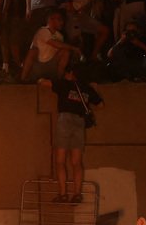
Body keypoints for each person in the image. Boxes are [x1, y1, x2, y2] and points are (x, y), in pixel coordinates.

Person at [36, 68, 103, 204]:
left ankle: (62, 194)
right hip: (79, 122)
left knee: (60, 161)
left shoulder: (64, 84)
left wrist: (39, 79)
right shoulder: (86, 88)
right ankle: (77, 194)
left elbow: (44, 83)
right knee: (76, 162)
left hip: (65, 121)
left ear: (70, 74)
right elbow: (100, 104)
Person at [21, 8, 80, 82]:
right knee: (33, 51)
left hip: (51, 66)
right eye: (60, 20)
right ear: (51, 19)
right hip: (38, 66)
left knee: (66, 52)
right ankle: (23, 79)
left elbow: (60, 50)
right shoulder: (42, 31)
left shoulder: (59, 36)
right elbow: (56, 44)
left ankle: (59, 79)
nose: (62, 23)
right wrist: (74, 48)